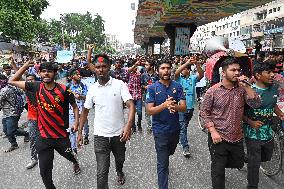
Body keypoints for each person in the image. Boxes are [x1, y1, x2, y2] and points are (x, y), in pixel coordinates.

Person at [8, 61, 81, 189]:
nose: (46, 73)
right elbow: (12, 81)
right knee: (44, 172)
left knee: (69, 155)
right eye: (43, 71)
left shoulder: (64, 90)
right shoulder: (36, 86)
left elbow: (75, 107)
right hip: (44, 138)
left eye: (49, 71)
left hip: (61, 137)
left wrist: (76, 122)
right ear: (39, 73)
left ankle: (75, 162)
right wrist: (25, 66)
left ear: (55, 73)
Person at [200, 56, 261, 189]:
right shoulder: (213, 91)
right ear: (223, 72)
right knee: (218, 171)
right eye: (233, 70)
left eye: (238, 70)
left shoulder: (241, 89)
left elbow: (256, 104)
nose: (237, 73)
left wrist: (247, 87)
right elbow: (204, 112)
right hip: (218, 137)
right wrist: (213, 131)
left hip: (237, 137)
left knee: (238, 162)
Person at [77, 48, 135, 188]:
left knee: (120, 159)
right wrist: (79, 133)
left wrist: (128, 126)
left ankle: (119, 171)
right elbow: (85, 111)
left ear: (109, 67)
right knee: (101, 172)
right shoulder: (92, 89)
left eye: (104, 66)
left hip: (119, 134)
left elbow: (131, 105)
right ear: (94, 69)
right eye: (97, 67)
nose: (100, 69)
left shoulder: (119, 84)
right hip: (100, 136)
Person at [146, 59, 186, 189]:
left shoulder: (177, 86)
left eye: (168, 68)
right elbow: (149, 111)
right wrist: (164, 105)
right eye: (162, 68)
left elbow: (184, 107)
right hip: (160, 131)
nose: (166, 70)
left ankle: (166, 156)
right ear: (158, 71)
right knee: (162, 164)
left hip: (174, 129)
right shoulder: (152, 88)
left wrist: (174, 105)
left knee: (170, 151)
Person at [243, 63, 284, 189]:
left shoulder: (274, 88)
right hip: (252, 132)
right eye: (268, 72)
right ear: (258, 75)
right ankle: (252, 186)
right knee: (254, 163)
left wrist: (281, 114)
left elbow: (273, 105)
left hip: (268, 131)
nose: (272, 74)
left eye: (272, 71)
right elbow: (239, 112)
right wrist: (250, 122)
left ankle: (246, 158)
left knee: (266, 156)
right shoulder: (249, 92)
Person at [174, 56, 204, 157]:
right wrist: (186, 63)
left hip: (190, 107)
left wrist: (197, 64)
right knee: (183, 127)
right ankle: (185, 147)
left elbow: (201, 74)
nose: (182, 70)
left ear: (188, 71)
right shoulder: (178, 79)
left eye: (185, 69)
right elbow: (176, 73)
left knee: (184, 126)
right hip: (181, 107)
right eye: (182, 69)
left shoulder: (193, 78)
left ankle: (180, 137)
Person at [0, 74, 29, 152]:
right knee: (6, 131)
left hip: (12, 113)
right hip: (7, 113)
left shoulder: (4, 90)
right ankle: (14, 144)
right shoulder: (10, 86)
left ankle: (26, 134)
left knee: (11, 131)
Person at [67, 68, 88, 153]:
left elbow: (88, 96)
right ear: (72, 76)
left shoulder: (83, 85)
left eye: (80, 74)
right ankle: (73, 148)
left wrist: (81, 96)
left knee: (85, 126)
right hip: (72, 111)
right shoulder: (68, 86)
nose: (79, 76)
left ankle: (86, 136)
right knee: (72, 129)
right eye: (77, 74)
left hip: (83, 110)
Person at [141, 60, 159, 133]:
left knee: (156, 111)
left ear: (151, 66)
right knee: (147, 112)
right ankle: (149, 127)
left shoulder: (156, 75)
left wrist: (154, 87)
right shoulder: (143, 75)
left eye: (147, 65)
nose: (145, 66)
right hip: (146, 95)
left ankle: (155, 125)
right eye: (145, 65)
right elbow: (141, 85)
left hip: (156, 96)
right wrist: (145, 87)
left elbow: (160, 84)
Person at [127, 60, 143, 133]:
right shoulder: (128, 73)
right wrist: (135, 65)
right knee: (132, 112)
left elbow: (142, 83)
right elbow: (128, 71)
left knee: (139, 112)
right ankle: (133, 127)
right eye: (134, 66)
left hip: (138, 96)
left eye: (136, 66)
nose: (135, 68)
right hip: (131, 96)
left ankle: (139, 124)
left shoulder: (139, 74)